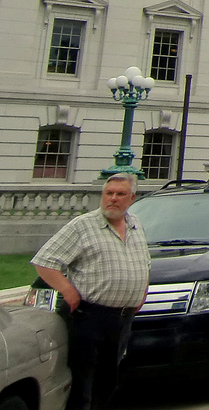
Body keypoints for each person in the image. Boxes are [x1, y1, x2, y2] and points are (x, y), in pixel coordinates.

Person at [31, 174, 151, 410]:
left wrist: (142, 292)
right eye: (109, 193)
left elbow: (144, 261)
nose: (113, 199)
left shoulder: (135, 224)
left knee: (107, 382)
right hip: (88, 317)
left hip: (122, 319)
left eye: (120, 194)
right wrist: (68, 290)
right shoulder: (83, 226)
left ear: (132, 198)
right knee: (82, 383)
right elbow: (44, 262)